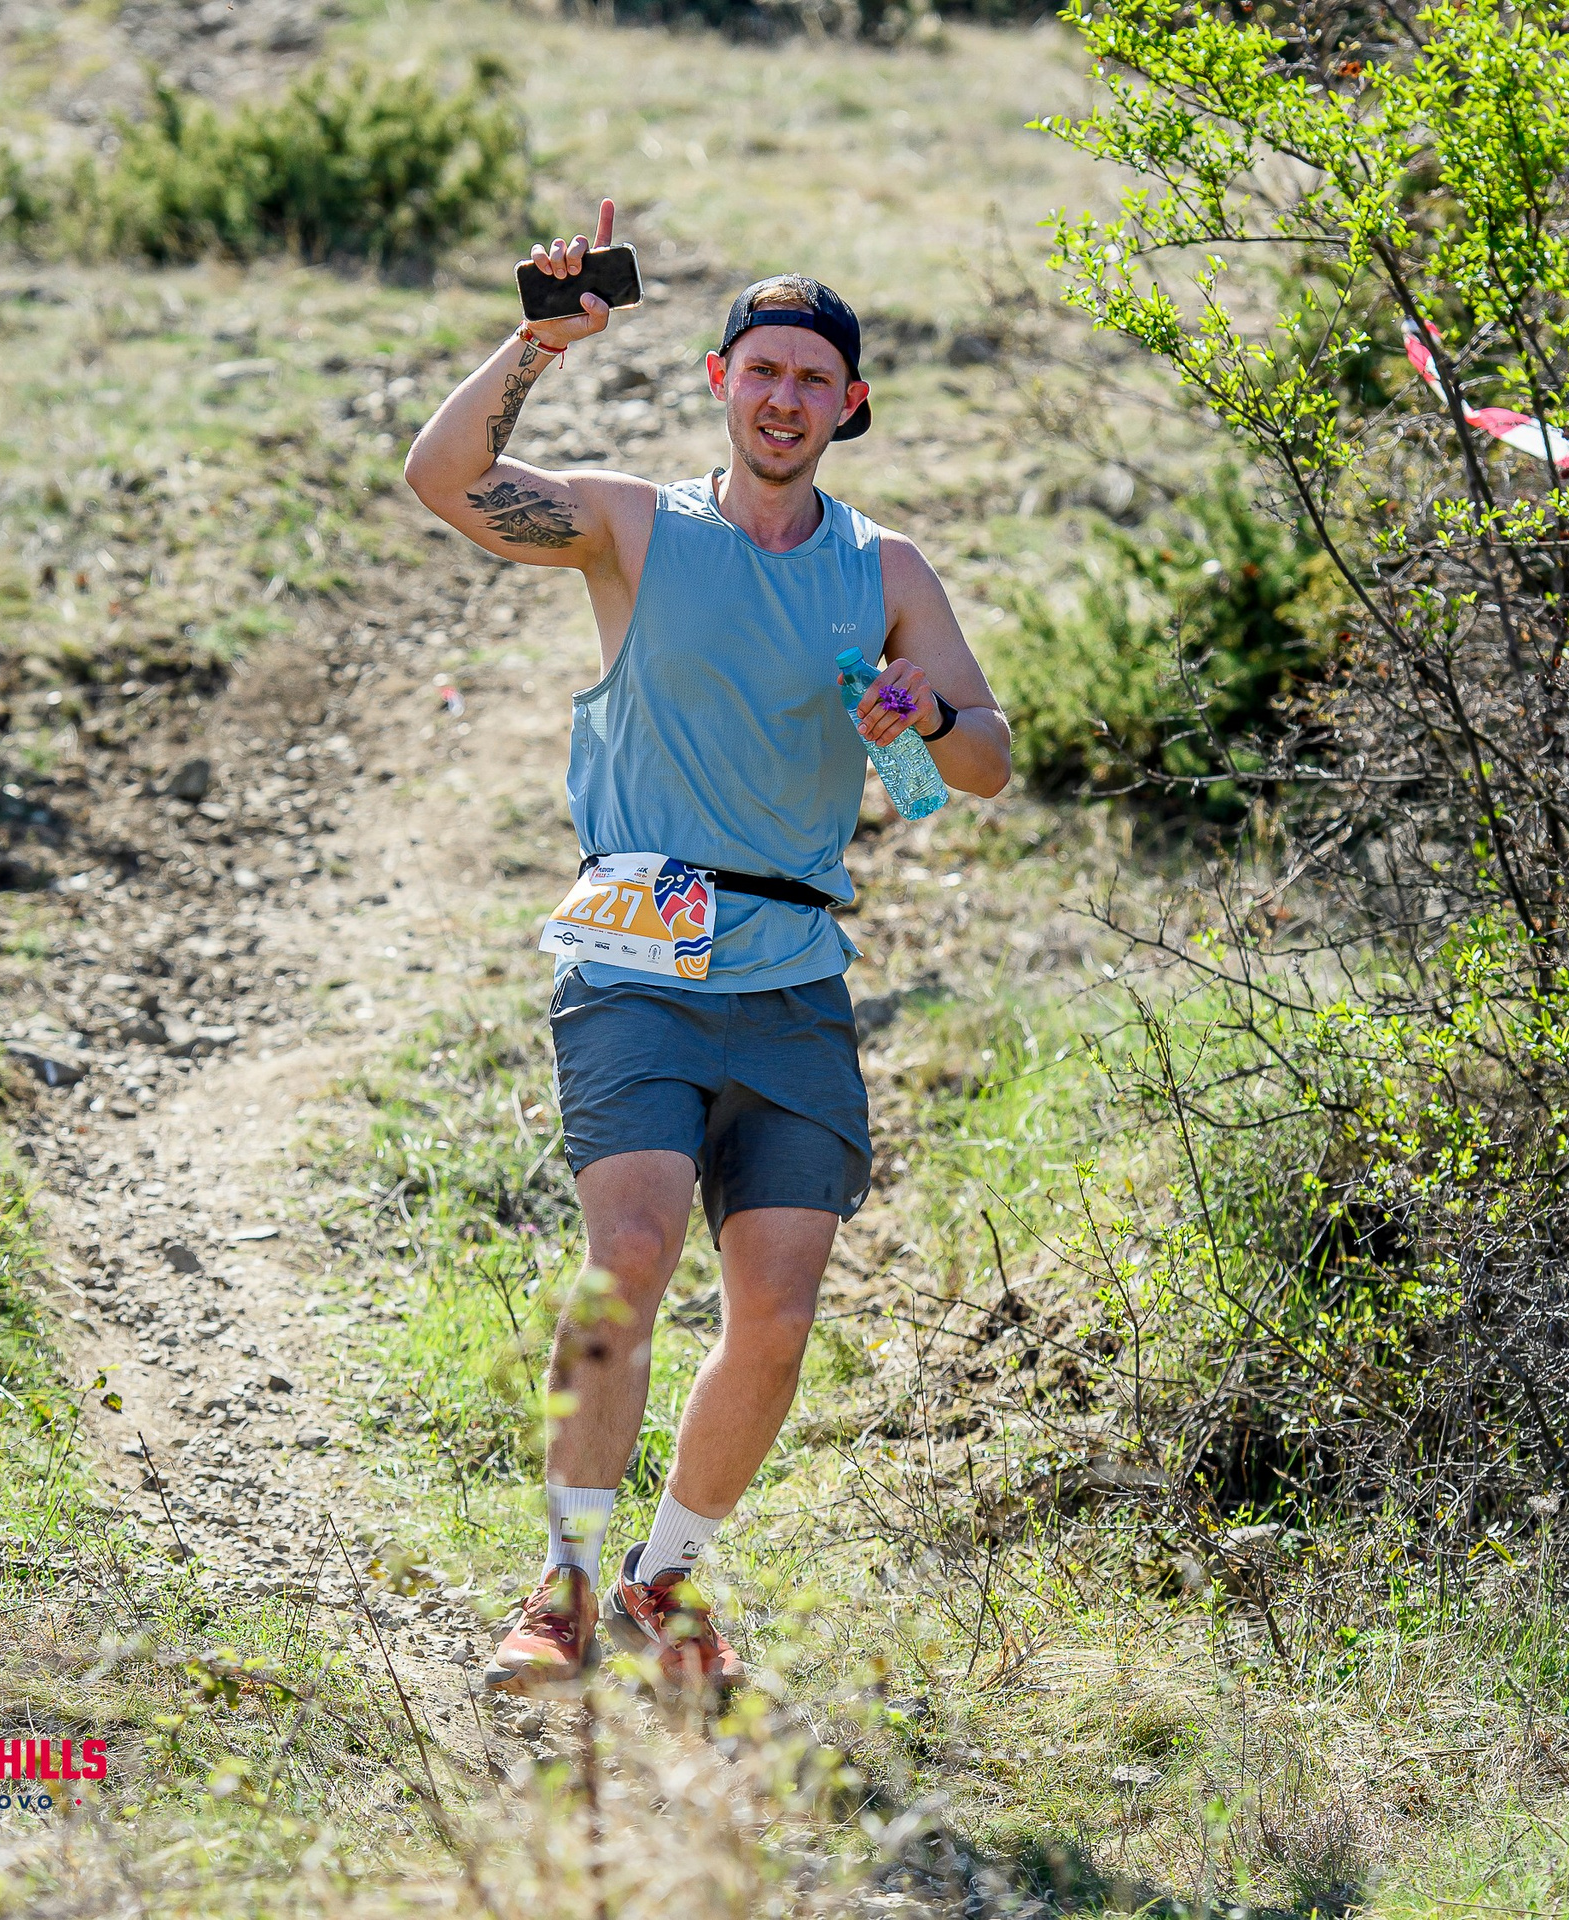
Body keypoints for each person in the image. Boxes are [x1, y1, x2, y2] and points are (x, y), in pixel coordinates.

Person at [403, 200, 1013, 1693]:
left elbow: (986, 761)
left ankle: (662, 1581)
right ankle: (559, 1584)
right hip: (636, 954)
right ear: (718, 382)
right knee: (628, 1254)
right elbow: (443, 479)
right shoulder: (632, 525)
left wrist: (926, 713)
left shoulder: (885, 571)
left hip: (794, 976)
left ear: (849, 404)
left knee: (781, 1320)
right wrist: (539, 344)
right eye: (763, 372)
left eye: (813, 379)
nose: (784, 398)